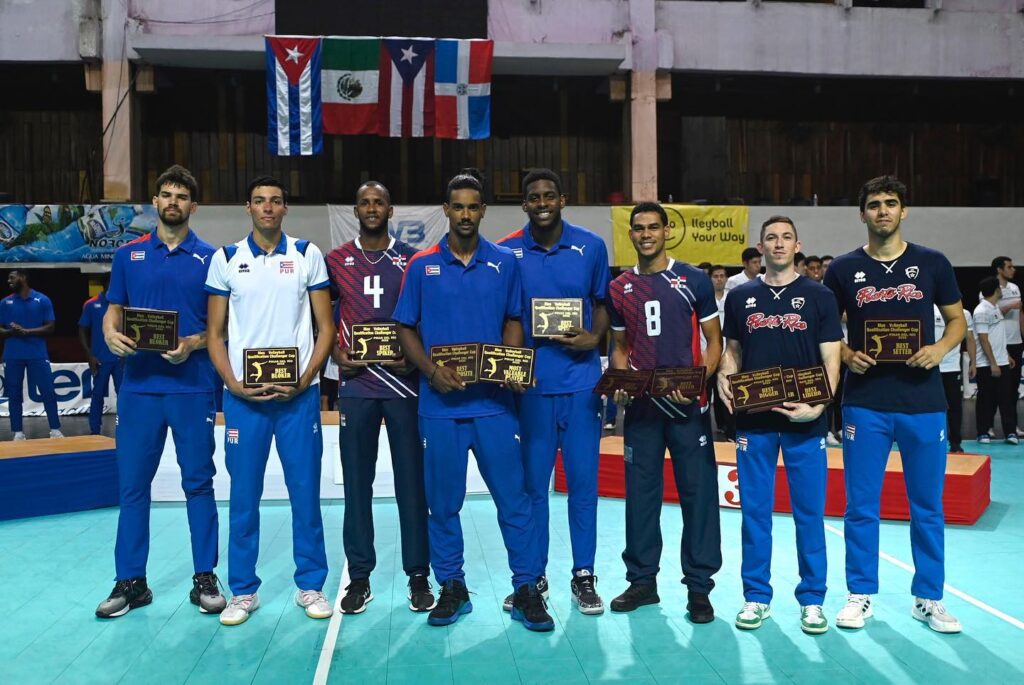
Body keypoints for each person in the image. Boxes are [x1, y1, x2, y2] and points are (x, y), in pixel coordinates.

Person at [393, 171, 553, 631]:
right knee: (443, 505)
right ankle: (452, 588)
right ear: (446, 210)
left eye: (472, 206)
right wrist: (429, 371)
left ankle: (526, 589)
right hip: (439, 410)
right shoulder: (422, 265)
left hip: (495, 408)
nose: (465, 214)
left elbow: (514, 319)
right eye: (457, 206)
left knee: (516, 501)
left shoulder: (505, 262)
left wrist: (510, 365)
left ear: (483, 211)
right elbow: (405, 327)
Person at [823, 175, 966, 634]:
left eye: (890, 203)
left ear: (903, 211)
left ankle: (929, 598)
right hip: (865, 403)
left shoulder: (932, 262)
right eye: (874, 205)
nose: (882, 211)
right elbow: (828, 333)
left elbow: (956, 321)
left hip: (924, 402)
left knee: (928, 506)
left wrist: (941, 350)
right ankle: (860, 595)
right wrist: (846, 354)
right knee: (861, 505)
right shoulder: (842, 269)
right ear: (862, 214)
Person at [206, 176, 336, 626]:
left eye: (275, 201)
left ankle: (311, 585)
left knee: (305, 494)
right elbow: (215, 335)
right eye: (259, 200)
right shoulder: (225, 259)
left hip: (298, 399)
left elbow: (326, 329)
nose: (267, 207)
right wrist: (234, 385)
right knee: (243, 496)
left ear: (285, 209)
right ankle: (243, 590)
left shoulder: (306, 255)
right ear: (248, 207)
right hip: (244, 400)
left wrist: (305, 380)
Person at [95, 164, 223, 618]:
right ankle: (131, 581)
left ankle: (205, 576)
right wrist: (111, 333)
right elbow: (114, 311)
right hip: (140, 389)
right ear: (155, 201)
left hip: (191, 388)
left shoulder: (212, 259)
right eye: (166, 194)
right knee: (132, 487)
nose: (173, 202)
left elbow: (221, 329)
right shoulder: (127, 256)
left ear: (193, 205)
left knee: (198, 484)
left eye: (181, 196)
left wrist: (192, 343)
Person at [718, 216, 842, 635]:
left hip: (805, 422)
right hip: (755, 421)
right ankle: (756, 597)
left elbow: (832, 359)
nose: (779, 243)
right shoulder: (740, 297)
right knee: (755, 514)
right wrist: (723, 372)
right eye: (771, 237)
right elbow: (732, 351)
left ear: (797, 244)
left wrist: (819, 405)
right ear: (761, 246)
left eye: (786, 237)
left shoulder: (820, 296)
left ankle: (812, 600)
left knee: (809, 514)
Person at [497, 168, 611, 615]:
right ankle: (533, 577)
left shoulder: (591, 246)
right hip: (531, 389)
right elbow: (505, 316)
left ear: (562, 199)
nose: (542, 202)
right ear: (524, 204)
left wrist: (593, 339)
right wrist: (511, 368)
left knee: (583, 485)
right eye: (533, 197)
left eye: (549, 195)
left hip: (582, 385)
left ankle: (584, 575)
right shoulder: (506, 251)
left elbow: (602, 306)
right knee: (533, 490)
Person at [607, 201, 722, 623]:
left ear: (668, 230)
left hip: (688, 410)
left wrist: (697, 385)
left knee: (699, 496)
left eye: (654, 227)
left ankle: (699, 588)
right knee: (641, 497)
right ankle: (642, 582)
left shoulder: (693, 279)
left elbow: (715, 341)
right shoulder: (619, 287)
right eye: (638, 228)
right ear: (631, 234)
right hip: (642, 411)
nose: (646, 234)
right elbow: (619, 347)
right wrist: (620, 384)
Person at [326, 181, 433, 614]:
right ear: (356, 209)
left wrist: (415, 358)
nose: (372, 208)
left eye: (379, 202)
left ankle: (419, 575)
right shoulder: (336, 261)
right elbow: (321, 319)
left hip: (404, 387)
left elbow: (425, 318)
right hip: (357, 388)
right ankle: (360, 577)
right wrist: (335, 355)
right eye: (365, 202)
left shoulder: (412, 260)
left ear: (391, 209)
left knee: (412, 485)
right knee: (357, 486)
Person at [0, 269, 63, 440]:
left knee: (48, 391)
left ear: (23, 278)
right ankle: (18, 432)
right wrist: (11, 331)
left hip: (37, 353)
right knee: (14, 394)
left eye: (12, 277)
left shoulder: (42, 300)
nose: (9, 281)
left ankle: (55, 430)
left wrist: (27, 331)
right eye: (8, 278)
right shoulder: (5, 303)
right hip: (13, 355)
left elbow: (51, 327)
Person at [78, 273, 124, 435]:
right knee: (97, 395)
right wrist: (89, 355)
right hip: (100, 359)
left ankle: (125, 428)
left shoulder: (123, 304)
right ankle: (94, 430)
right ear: (105, 284)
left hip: (120, 359)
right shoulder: (91, 304)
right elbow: (82, 329)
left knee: (124, 396)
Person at [974, 277, 1017, 446]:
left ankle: (1010, 432)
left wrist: (1006, 355)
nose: (1002, 290)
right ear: (996, 290)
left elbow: (998, 335)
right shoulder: (981, 311)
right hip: (986, 365)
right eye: (999, 288)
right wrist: (993, 363)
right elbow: (984, 339)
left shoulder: (996, 308)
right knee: (986, 399)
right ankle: (982, 432)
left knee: (1006, 398)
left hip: (1002, 361)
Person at [987, 257, 1022, 437]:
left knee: (1013, 388)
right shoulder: (990, 290)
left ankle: (1012, 426)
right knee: (995, 389)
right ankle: (989, 426)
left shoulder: (1015, 288)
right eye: (1009, 267)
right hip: (999, 345)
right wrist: (1010, 306)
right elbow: (989, 313)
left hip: (1016, 343)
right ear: (1000, 270)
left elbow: (1020, 314)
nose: (1013, 269)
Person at [935, 303, 974, 453]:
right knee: (930, 407)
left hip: (952, 368)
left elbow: (969, 339)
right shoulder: (929, 308)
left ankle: (956, 443)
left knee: (955, 407)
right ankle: (931, 441)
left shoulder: (964, 314)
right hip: (931, 367)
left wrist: (973, 363)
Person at [708, 264, 732, 440]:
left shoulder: (732, 298)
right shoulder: (705, 300)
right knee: (708, 391)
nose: (719, 279)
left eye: (722, 276)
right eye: (715, 276)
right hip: (708, 352)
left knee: (726, 391)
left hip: (728, 354)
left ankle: (727, 426)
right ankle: (713, 426)